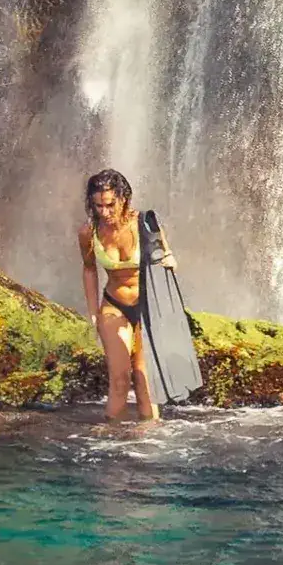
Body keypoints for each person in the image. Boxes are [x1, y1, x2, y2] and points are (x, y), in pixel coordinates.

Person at [77, 167, 175, 422]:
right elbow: (89, 270)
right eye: (97, 206)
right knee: (119, 380)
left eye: (109, 205)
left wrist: (170, 261)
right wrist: (93, 313)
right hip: (114, 305)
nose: (104, 212)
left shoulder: (144, 223)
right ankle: (109, 442)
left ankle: (148, 442)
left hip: (147, 308)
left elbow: (167, 254)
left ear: (123, 198)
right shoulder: (89, 233)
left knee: (144, 382)